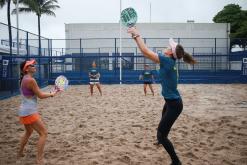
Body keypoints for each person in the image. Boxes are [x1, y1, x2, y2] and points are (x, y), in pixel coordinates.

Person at [128, 27, 196, 165]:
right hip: (171, 101)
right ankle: (161, 139)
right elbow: (149, 54)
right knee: (162, 116)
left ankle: (176, 161)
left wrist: (137, 35)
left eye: (168, 46)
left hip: (175, 105)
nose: (166, 47)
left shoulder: (167, 61)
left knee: (162, 134)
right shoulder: (169, 61)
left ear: (171, 52)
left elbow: (145, 51)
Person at [18, 59, 59, 164]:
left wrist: (50, 92)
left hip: (23, 111)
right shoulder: (31, 80)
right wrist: (51, 94)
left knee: (28, 132)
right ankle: (39, 159)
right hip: (29, 112)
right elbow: (40, 96)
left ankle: (20, 153)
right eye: (31, 65)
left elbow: (38, 93)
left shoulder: (23, 79)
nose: (34, 65)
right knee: (43, 133)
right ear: (26, 69)